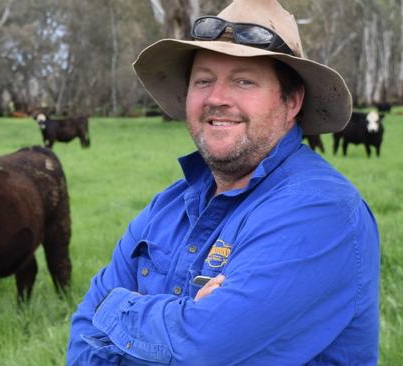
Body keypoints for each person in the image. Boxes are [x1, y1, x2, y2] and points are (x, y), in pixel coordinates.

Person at [66, 0, 380, 364]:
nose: (216, 98)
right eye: (203, 80)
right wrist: (182, 315)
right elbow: (83, 332)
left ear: (291, 101)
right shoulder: (167, 207)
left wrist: (115, 307)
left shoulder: (321, 211)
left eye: (243, 81)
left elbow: (204, 350)